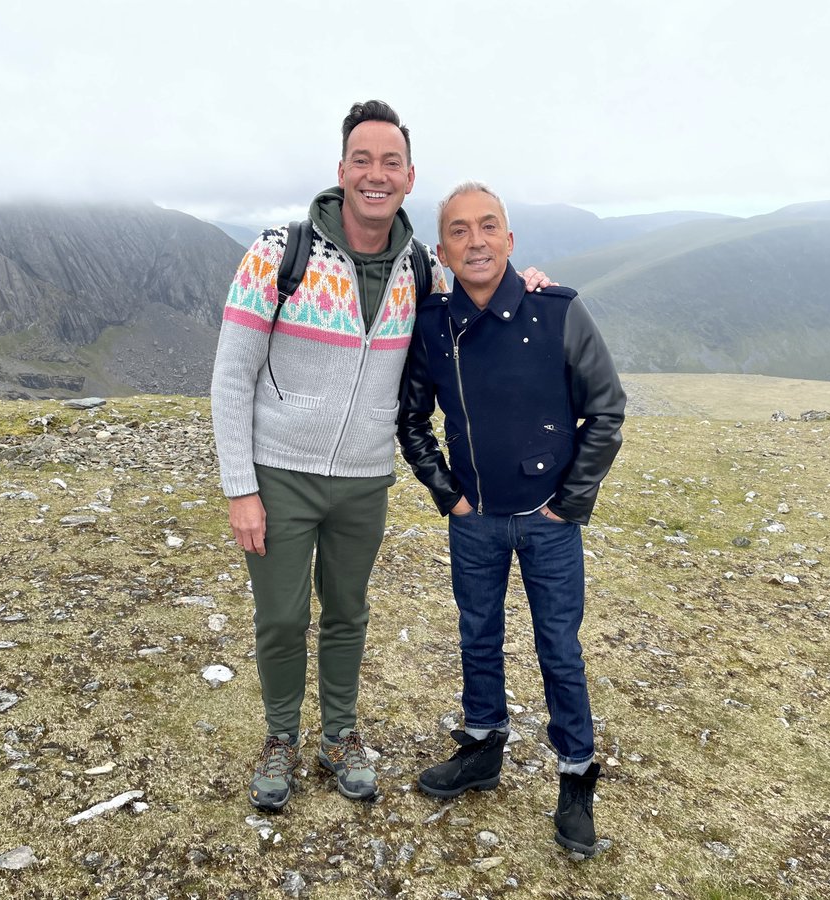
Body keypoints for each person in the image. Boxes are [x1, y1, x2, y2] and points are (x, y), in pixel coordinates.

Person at [210, 102, 550, 813]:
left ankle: (339, 735)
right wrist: (240, 487)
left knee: (348, 613)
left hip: (365, 480)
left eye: (389, 162)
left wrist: (534, 289)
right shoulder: (280, 252)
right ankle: (281, 740)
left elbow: (480, 297)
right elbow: (231, 373)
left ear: (408, 176)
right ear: (341, 171)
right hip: (280, 474)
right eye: (362, 160)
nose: (375, 174)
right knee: (279, 618)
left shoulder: (420, 268)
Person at [396, 182, 626, 855]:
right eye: (460, 231)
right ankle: (483, 747)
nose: (475, 241)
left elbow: (606, 411)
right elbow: (411, 420)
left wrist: (569, 503)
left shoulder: (558, 310)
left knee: (560, 649)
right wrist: (450, 496)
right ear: (442, 250)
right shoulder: (433, 325)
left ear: (510, 240)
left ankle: (577, 779)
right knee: (477, 636)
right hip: (475, 521)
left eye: (488, 227)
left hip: (550, 522)